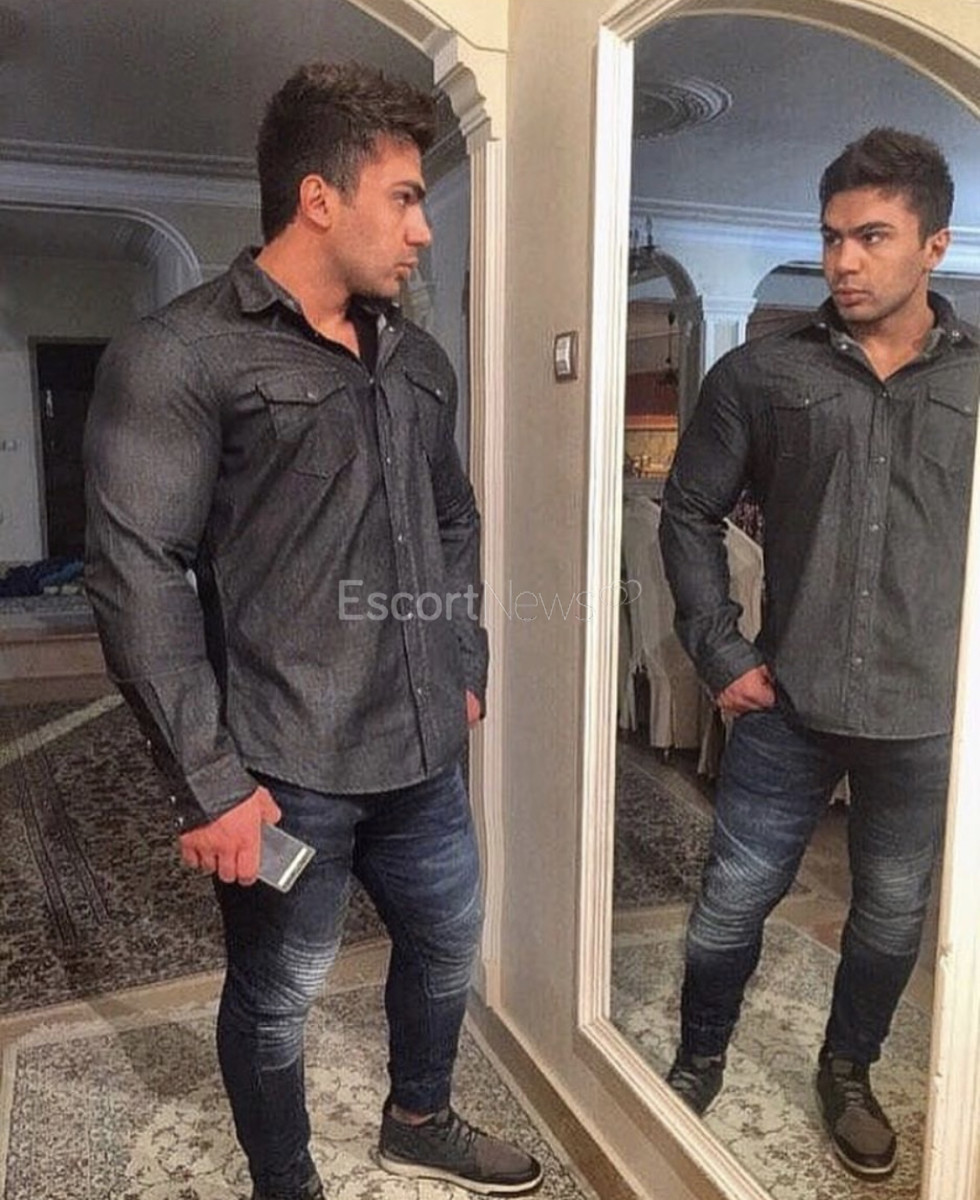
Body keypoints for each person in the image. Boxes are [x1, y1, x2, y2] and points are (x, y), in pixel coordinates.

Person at [84, 62, 542, 1200]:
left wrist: (463, 656)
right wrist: (210, 783)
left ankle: (418, 1120)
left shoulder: (419, 362)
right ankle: (285, 1181)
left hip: (424, 751)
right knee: (278, 999)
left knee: (448, 948)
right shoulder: (183, 353)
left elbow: (451, 516)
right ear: (319, 197)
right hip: (285, 769)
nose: (424, 230)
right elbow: (138, 573)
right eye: (405, 197)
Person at [658, 127, 980, 1180]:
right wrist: (718, 651)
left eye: (871, 237)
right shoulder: (761, 373)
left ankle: (847, 1071)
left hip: (927, 719)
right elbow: (687, 512)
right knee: (731, 902)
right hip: (785, 704)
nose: (842, 260)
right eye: (831, 236)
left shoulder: (974, 380)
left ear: (934, 245)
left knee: (889, 917)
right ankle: (699, 1056)